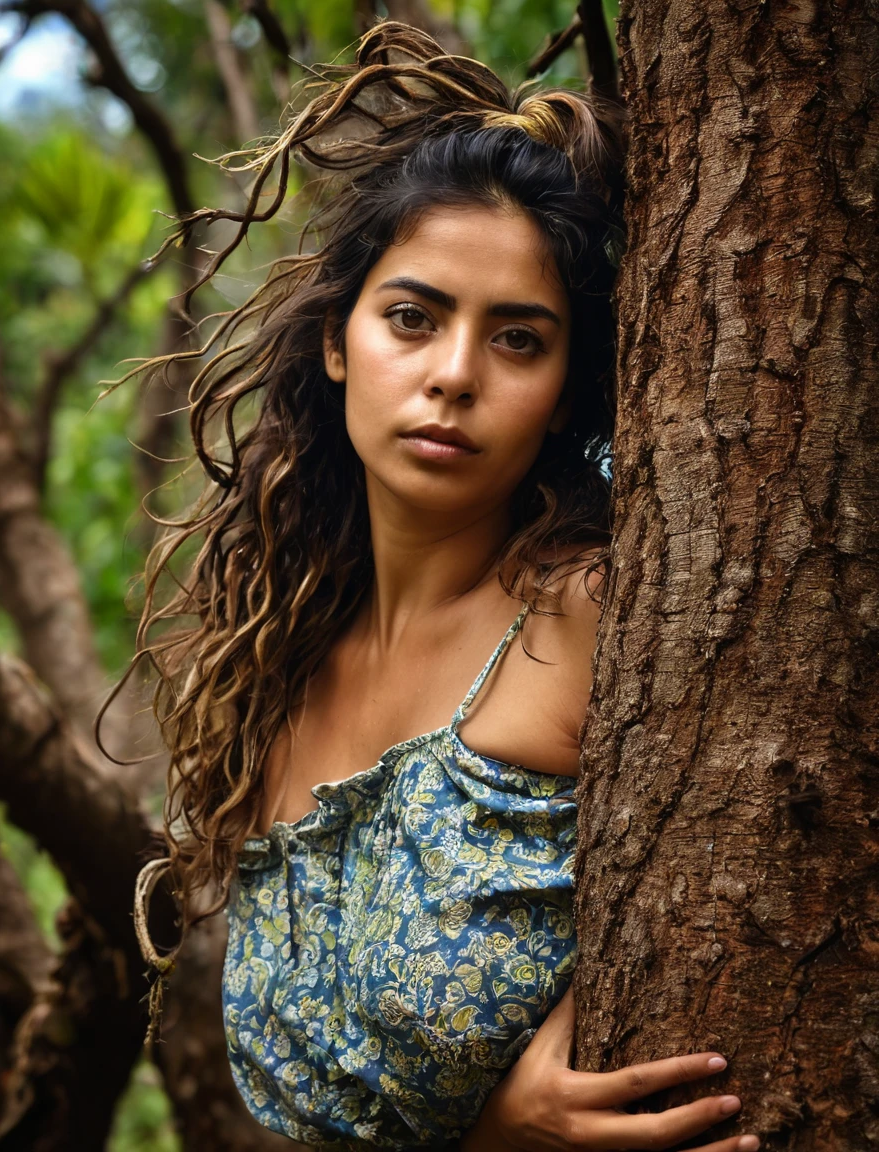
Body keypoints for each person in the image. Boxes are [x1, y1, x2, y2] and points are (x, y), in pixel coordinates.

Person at [121, 21, 760, 1152]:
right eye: (411, 319)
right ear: (337, 342)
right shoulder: (274, 675)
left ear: (567, 392)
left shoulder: (595, 618)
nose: (453, 377)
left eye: (517, 341)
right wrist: (493, 1134)